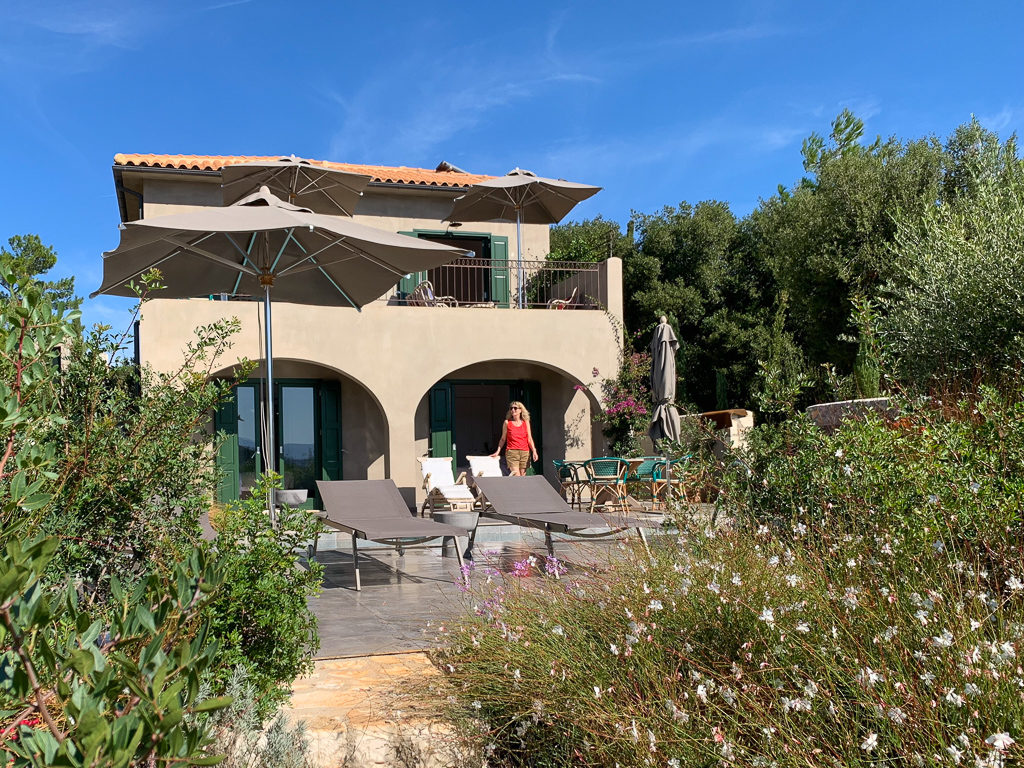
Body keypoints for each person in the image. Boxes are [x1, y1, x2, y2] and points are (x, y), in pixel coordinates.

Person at [490, 401, 538, 476]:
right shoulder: (507, 423)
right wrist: (497, 451)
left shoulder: (526, 422)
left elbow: (529, 438)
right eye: (511, 408)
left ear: (520, 410)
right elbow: (503, 439)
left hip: (525, 452)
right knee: (516, 475)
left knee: (523, 476)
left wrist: (534, 451)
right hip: (512, 452)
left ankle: (522, 488)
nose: (513, 410)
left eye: (515, 408)